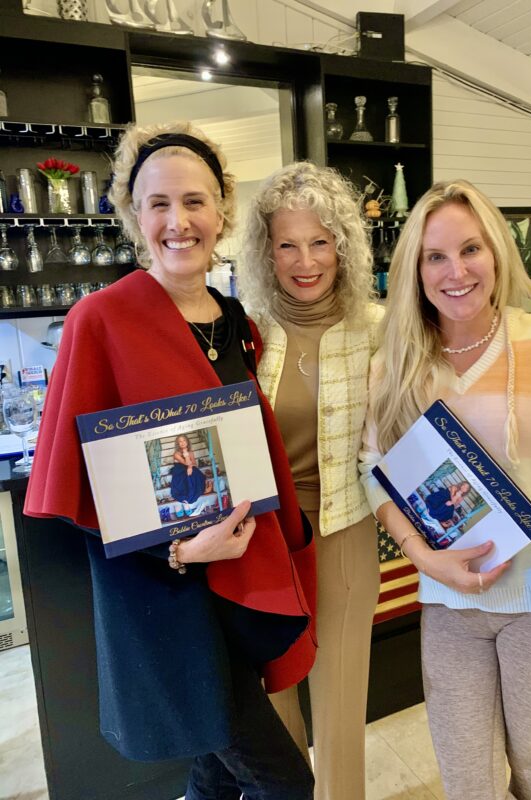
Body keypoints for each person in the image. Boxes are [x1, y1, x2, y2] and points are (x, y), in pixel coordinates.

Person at [24, 121, 317, 800]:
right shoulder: (100, 319)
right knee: (285, 783)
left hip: (240, 589)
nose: (179, 221)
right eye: (159, 204)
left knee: (213, 773)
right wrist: (183, 552)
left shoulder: (235, 317)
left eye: (195, 201)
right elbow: (83, 492)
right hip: (172, 606)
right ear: (132, 214)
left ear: (221, 212)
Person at [359, 178, 531, 800]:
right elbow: (374, 467)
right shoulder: (398, 363)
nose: (456, 271)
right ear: (414, 268)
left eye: (471, 250)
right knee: (471, 783)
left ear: (496, 253)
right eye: (435, 256)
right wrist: (422, 555)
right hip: (449, 605)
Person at [238, 161, 382, 800]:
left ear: (342, 245)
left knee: (341, 702)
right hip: (262, 543)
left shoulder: (381, 329)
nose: (305, 260)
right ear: (266, 251)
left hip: (345, 534)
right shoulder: (241, 330)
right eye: (287, 243)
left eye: (319, 241)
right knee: (273, 702)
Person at [170, 433, 206, 512]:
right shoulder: (176, 454)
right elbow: (186, 463)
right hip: (179, 471)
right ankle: (187, 499)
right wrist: (185, 453)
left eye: (184, 440)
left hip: (188, 468)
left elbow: (194, 464)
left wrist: (190, 467)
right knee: (187, 475)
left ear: (187, 441)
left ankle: (190, 496)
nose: (182, 443)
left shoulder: (191, 452)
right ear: (178, 444)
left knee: (195, 471)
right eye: (180, 441)